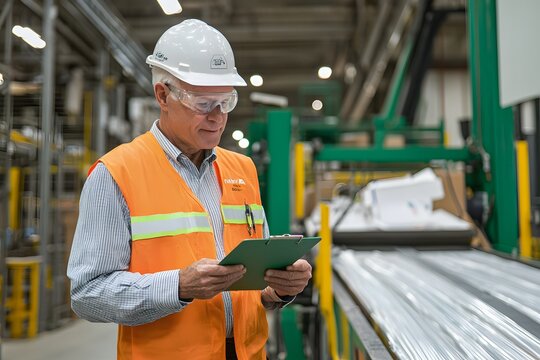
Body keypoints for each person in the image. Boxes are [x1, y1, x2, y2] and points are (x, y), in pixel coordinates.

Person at [67, 19, 312, 360]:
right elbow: (87, 294)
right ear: (163, 95)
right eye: (203, 103)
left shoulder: (242, 170)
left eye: (226, 102)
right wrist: (178, 286)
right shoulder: (116, 174)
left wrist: (279, 289)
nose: (218, 117)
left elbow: (252, 290)